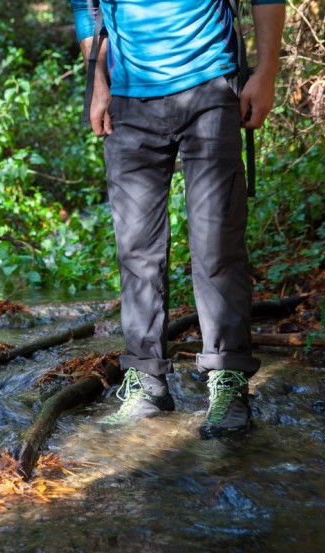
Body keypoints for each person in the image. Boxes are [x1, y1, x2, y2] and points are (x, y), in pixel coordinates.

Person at [71, 0, 286, 438]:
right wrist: (98, 82)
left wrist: (267, 72)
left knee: (217, 244)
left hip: (210, 86)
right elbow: (86, 8)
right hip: (129, 101)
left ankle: (227, 378)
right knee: (136, 249)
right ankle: (147, 381)